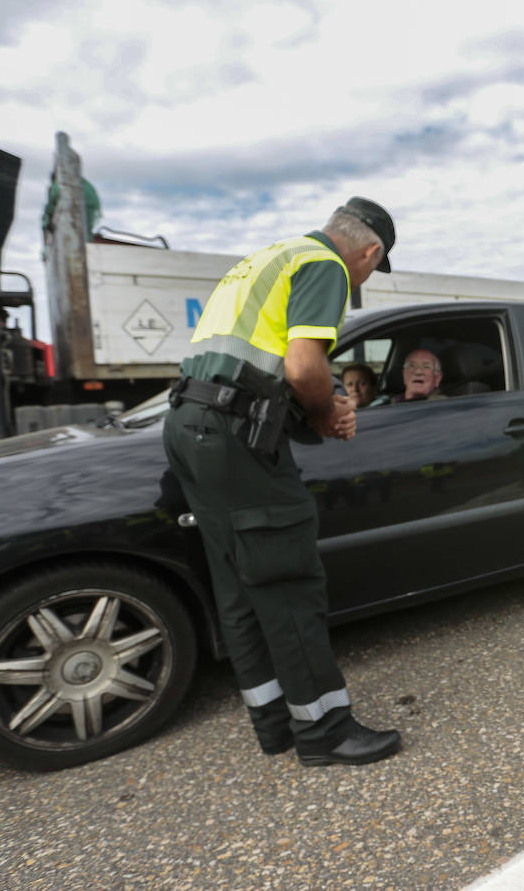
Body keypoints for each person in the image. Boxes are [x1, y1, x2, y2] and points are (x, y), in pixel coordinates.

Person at [163, 197, 403, 766]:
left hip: (190, 426)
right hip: (233, 438)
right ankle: (324, 734)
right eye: (374, 266)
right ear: (369, 251)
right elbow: (301, 367)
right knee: (287, 581)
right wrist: (326, 411)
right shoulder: (324, 266)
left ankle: (275, 724)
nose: (366, 276)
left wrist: (322, 402)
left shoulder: (268, 259)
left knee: (240, 584)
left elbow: (257, 368)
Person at [372, 348, 447, 404]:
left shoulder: (443, 406)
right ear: (404, 374)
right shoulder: (386, 403)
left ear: (437, 378)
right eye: (412, 365)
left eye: (426, 366)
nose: (418, 372)